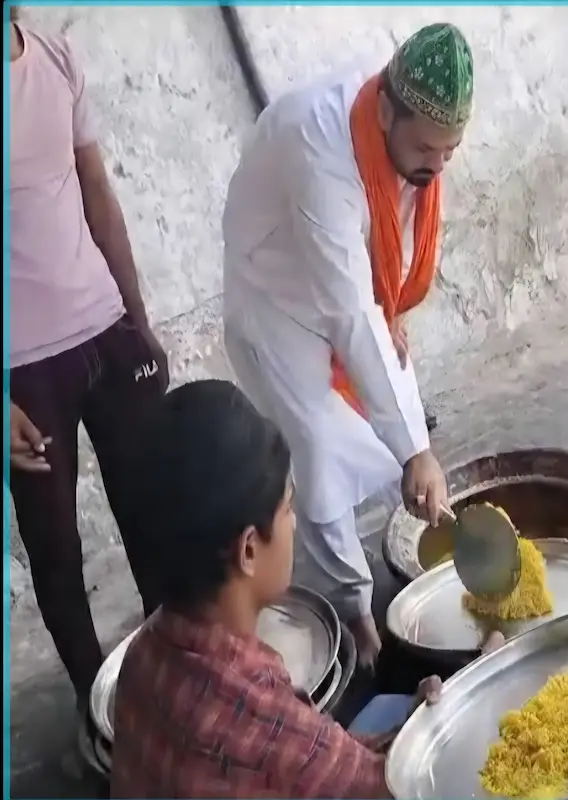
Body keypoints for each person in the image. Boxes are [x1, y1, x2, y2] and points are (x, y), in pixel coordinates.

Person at [221, 23, 474, 667]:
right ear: (386, 110)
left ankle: (417, 540)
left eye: (450, 152)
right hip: (277, 294)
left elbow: (392, 234)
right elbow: (348, 312)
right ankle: (357, 615)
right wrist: (417, 449)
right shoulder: (319, 144)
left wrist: (386, 301)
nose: (436, 165)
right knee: (318, 448)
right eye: (426, 148)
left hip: (343, 283)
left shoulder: (404, 133)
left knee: (396, 405)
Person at [110, 379, 492, 798]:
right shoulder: (261, 717)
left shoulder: (143, 654)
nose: (293, 525)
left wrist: (410, 726)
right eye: (288, 508)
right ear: (249, 550)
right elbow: (393, 789)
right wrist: (478, 689)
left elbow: (328, 765)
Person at [8, 9, 169, 712]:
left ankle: (179, 678)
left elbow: (98, 195)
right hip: (22, 370)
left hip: (105, 328)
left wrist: (138, 320)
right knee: (56, 550)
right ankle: (93, 707)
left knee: (156, 510)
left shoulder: (56, 58)